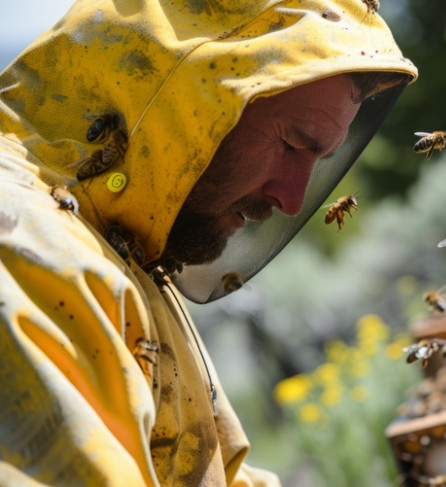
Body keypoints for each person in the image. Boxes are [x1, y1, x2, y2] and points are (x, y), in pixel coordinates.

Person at [0, 0, 416, 485]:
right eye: (291, 144)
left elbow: (212, 470)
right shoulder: (26, 250)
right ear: (194, 102)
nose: (291, 199)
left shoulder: (124, 255)